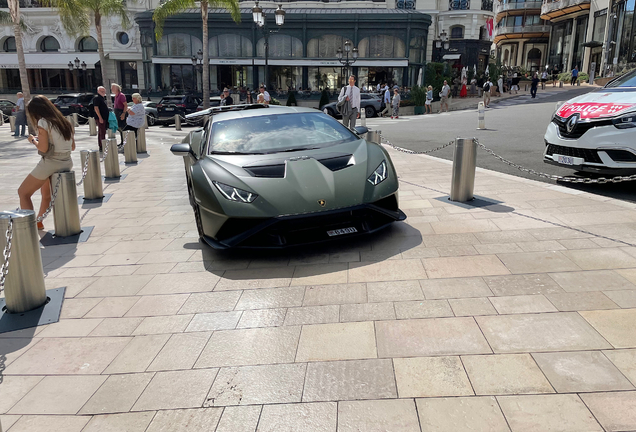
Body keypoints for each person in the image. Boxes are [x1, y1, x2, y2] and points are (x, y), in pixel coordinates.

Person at [19, 95, 75, 230]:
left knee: (23, 192)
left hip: (51, 162)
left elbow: (43, 148)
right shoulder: (64, 121)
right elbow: (72, 147)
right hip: (67, 161)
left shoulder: (43, 122)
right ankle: (39, 221)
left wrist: (33, 140)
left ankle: (29, 227)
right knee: (46, 194)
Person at [92, 86, 109, 152]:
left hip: (104, 117)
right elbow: (96, 108)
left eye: (104, 91)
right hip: (100, 117)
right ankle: (102, 145)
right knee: (102, 132)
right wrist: (100, 117)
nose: (103, 92)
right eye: (101, 91)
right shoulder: (97, 98)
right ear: (98, 91)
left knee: (102, 131)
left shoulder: (102, 98)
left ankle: (102, 145)